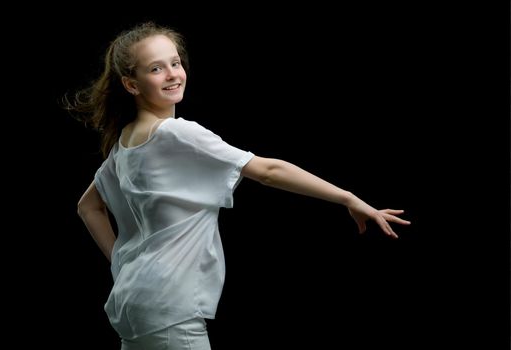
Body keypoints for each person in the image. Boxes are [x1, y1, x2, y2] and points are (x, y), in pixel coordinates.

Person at [65, 21, 411, 350]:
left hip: (134, 301)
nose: (173, 74)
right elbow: (268, 170)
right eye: (156, 68)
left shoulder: (123, 145)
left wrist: (122, 264)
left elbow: (88, 207)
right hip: (169, 305)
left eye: (175, 62)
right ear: (131, 84)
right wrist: (348, 198)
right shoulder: (176, 133)